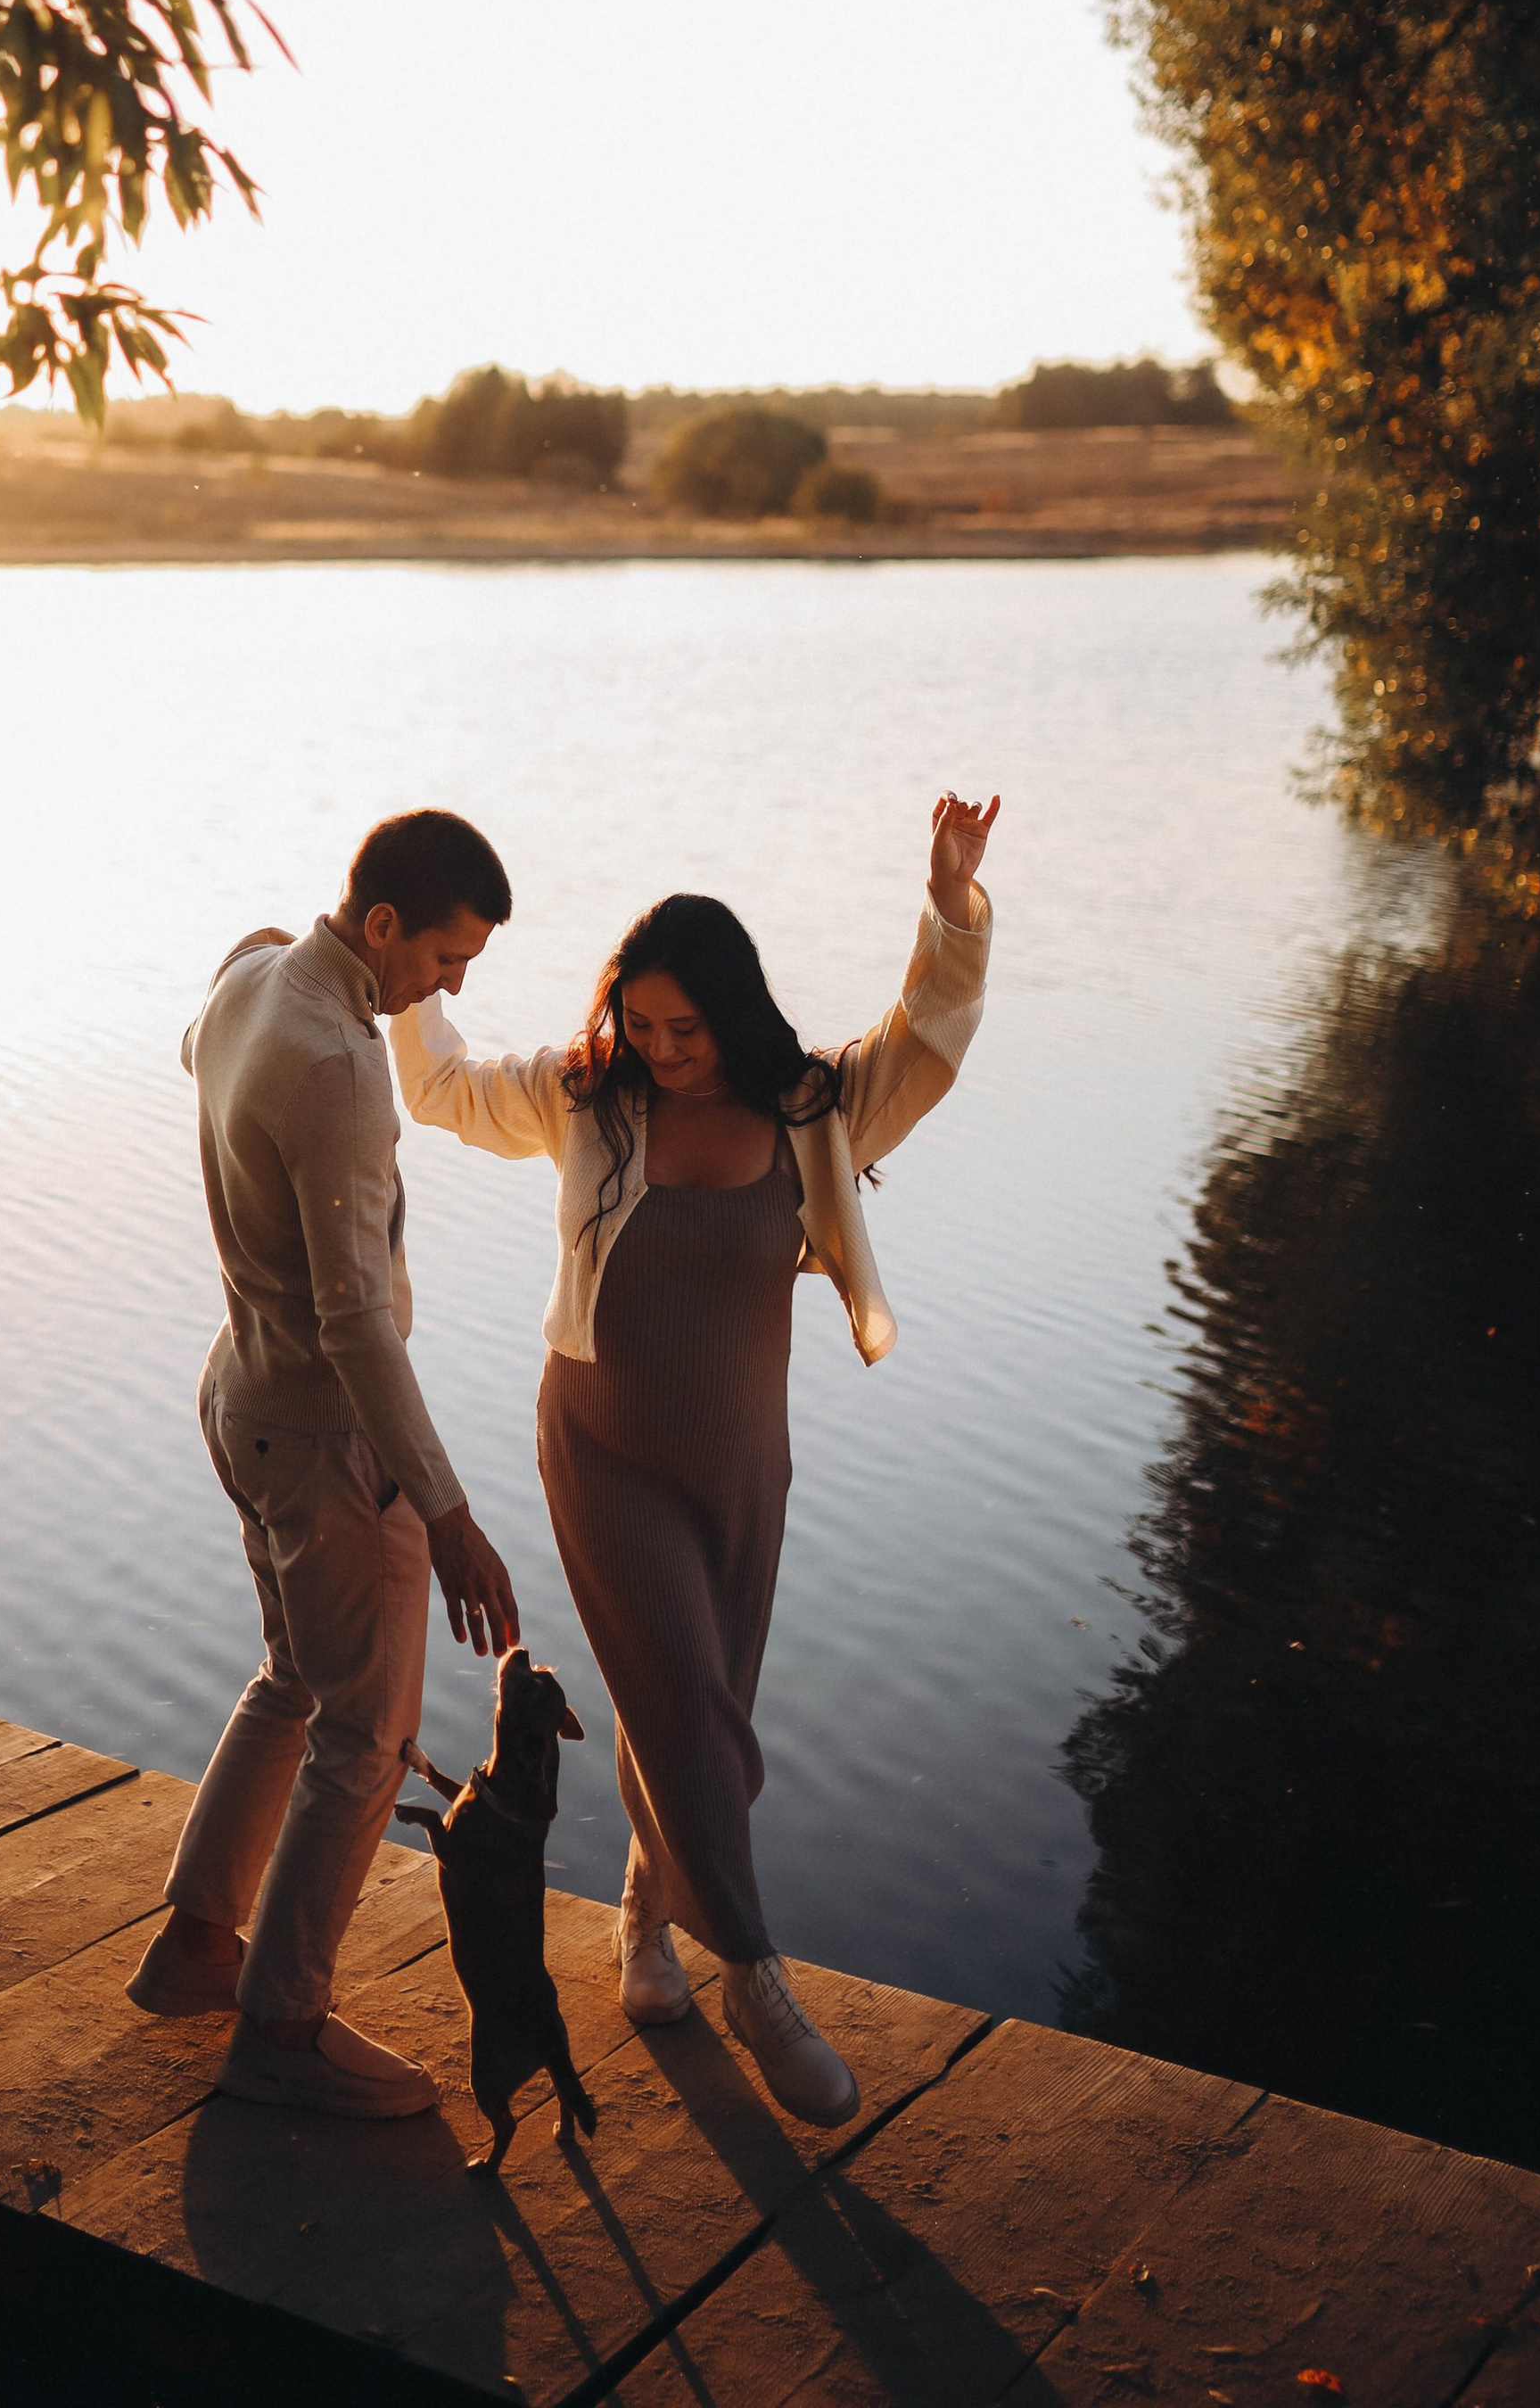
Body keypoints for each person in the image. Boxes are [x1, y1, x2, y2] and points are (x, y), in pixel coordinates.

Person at [390, 792, 997, 2130]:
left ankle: (644, 1935)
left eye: (685, 1028)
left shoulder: (815, 1108)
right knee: (695, 1713)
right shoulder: (584, 1098)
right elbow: (437, 1087)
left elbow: (933, 1037)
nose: (659, 1052)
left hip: (739, 1465)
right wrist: (404, 978)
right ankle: (758, 1977)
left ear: (735, 1012)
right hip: (600, 1448)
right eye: (641, 1025)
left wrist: (952, 904)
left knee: (694, 1707)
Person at [126, 807, 523, 2121]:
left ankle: (195, 1947)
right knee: (371, 1734)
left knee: (296, 1674)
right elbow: (356, 1322)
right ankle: (283, 2024)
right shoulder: (345, 1072)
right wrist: (450, 1515)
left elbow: (199, 1037)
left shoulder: (254, 982)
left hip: (236, 1395)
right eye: (446, 958)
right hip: (321, 1434)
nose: (452, 987)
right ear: (387, 925)